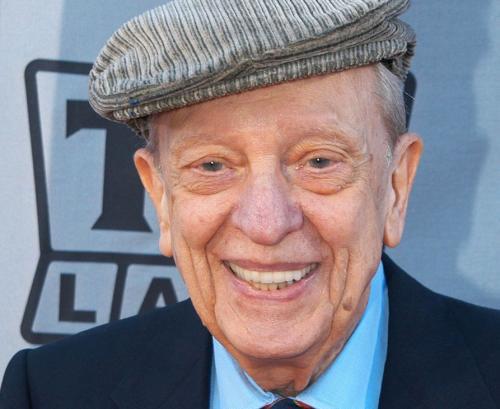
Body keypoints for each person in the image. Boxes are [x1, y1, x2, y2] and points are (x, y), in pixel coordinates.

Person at [2, 0, 499, 408]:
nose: (266, 223)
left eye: (318, 161)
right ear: (161, 196)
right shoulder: (50, 392)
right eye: (212, 165)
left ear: (396, 185)